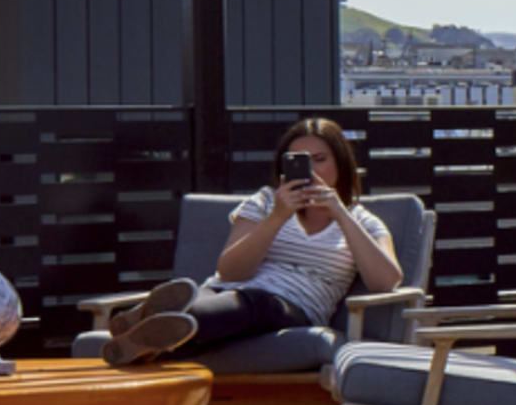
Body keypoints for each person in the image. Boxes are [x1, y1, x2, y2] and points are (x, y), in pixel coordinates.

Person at [103, 118, 403, 368]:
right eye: (299, 161)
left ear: (341, 164)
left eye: (320, 160)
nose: (311, 171)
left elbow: (386, 281)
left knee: (256, 302)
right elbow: (231, 273)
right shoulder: (264, 202)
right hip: (226, 292)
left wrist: (340, 211)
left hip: (293, 307)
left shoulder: (362, 220)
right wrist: (277, 217)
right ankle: (147, 337)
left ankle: (149, 322)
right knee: (207, 296)